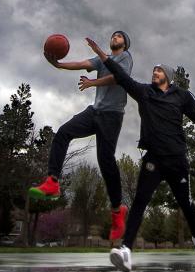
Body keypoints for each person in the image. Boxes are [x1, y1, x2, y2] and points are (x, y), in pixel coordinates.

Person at [85, 37, 195, 272]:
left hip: (177, 159)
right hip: (153, 159)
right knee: (139, 202)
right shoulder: (144, 92)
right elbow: (122, 77)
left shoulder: (182, 96)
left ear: (167, 76)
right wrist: (102, 55)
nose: (154, 72)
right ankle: (126, 250)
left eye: (158, 70)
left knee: (185, 204)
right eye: (153, 70)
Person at [30, 31, 134, 241]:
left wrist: (92, 83)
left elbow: (118, 78)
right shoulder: (100, 59)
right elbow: (80, 63)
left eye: (119, 36)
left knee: (105, 161)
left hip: (112, 115)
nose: (115, 37)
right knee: (63, 133)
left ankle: (117, 211)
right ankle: (52, 181)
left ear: (125, 43)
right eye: (113, 35)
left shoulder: (125, 57)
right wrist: (58, 65)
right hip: (94, 111)